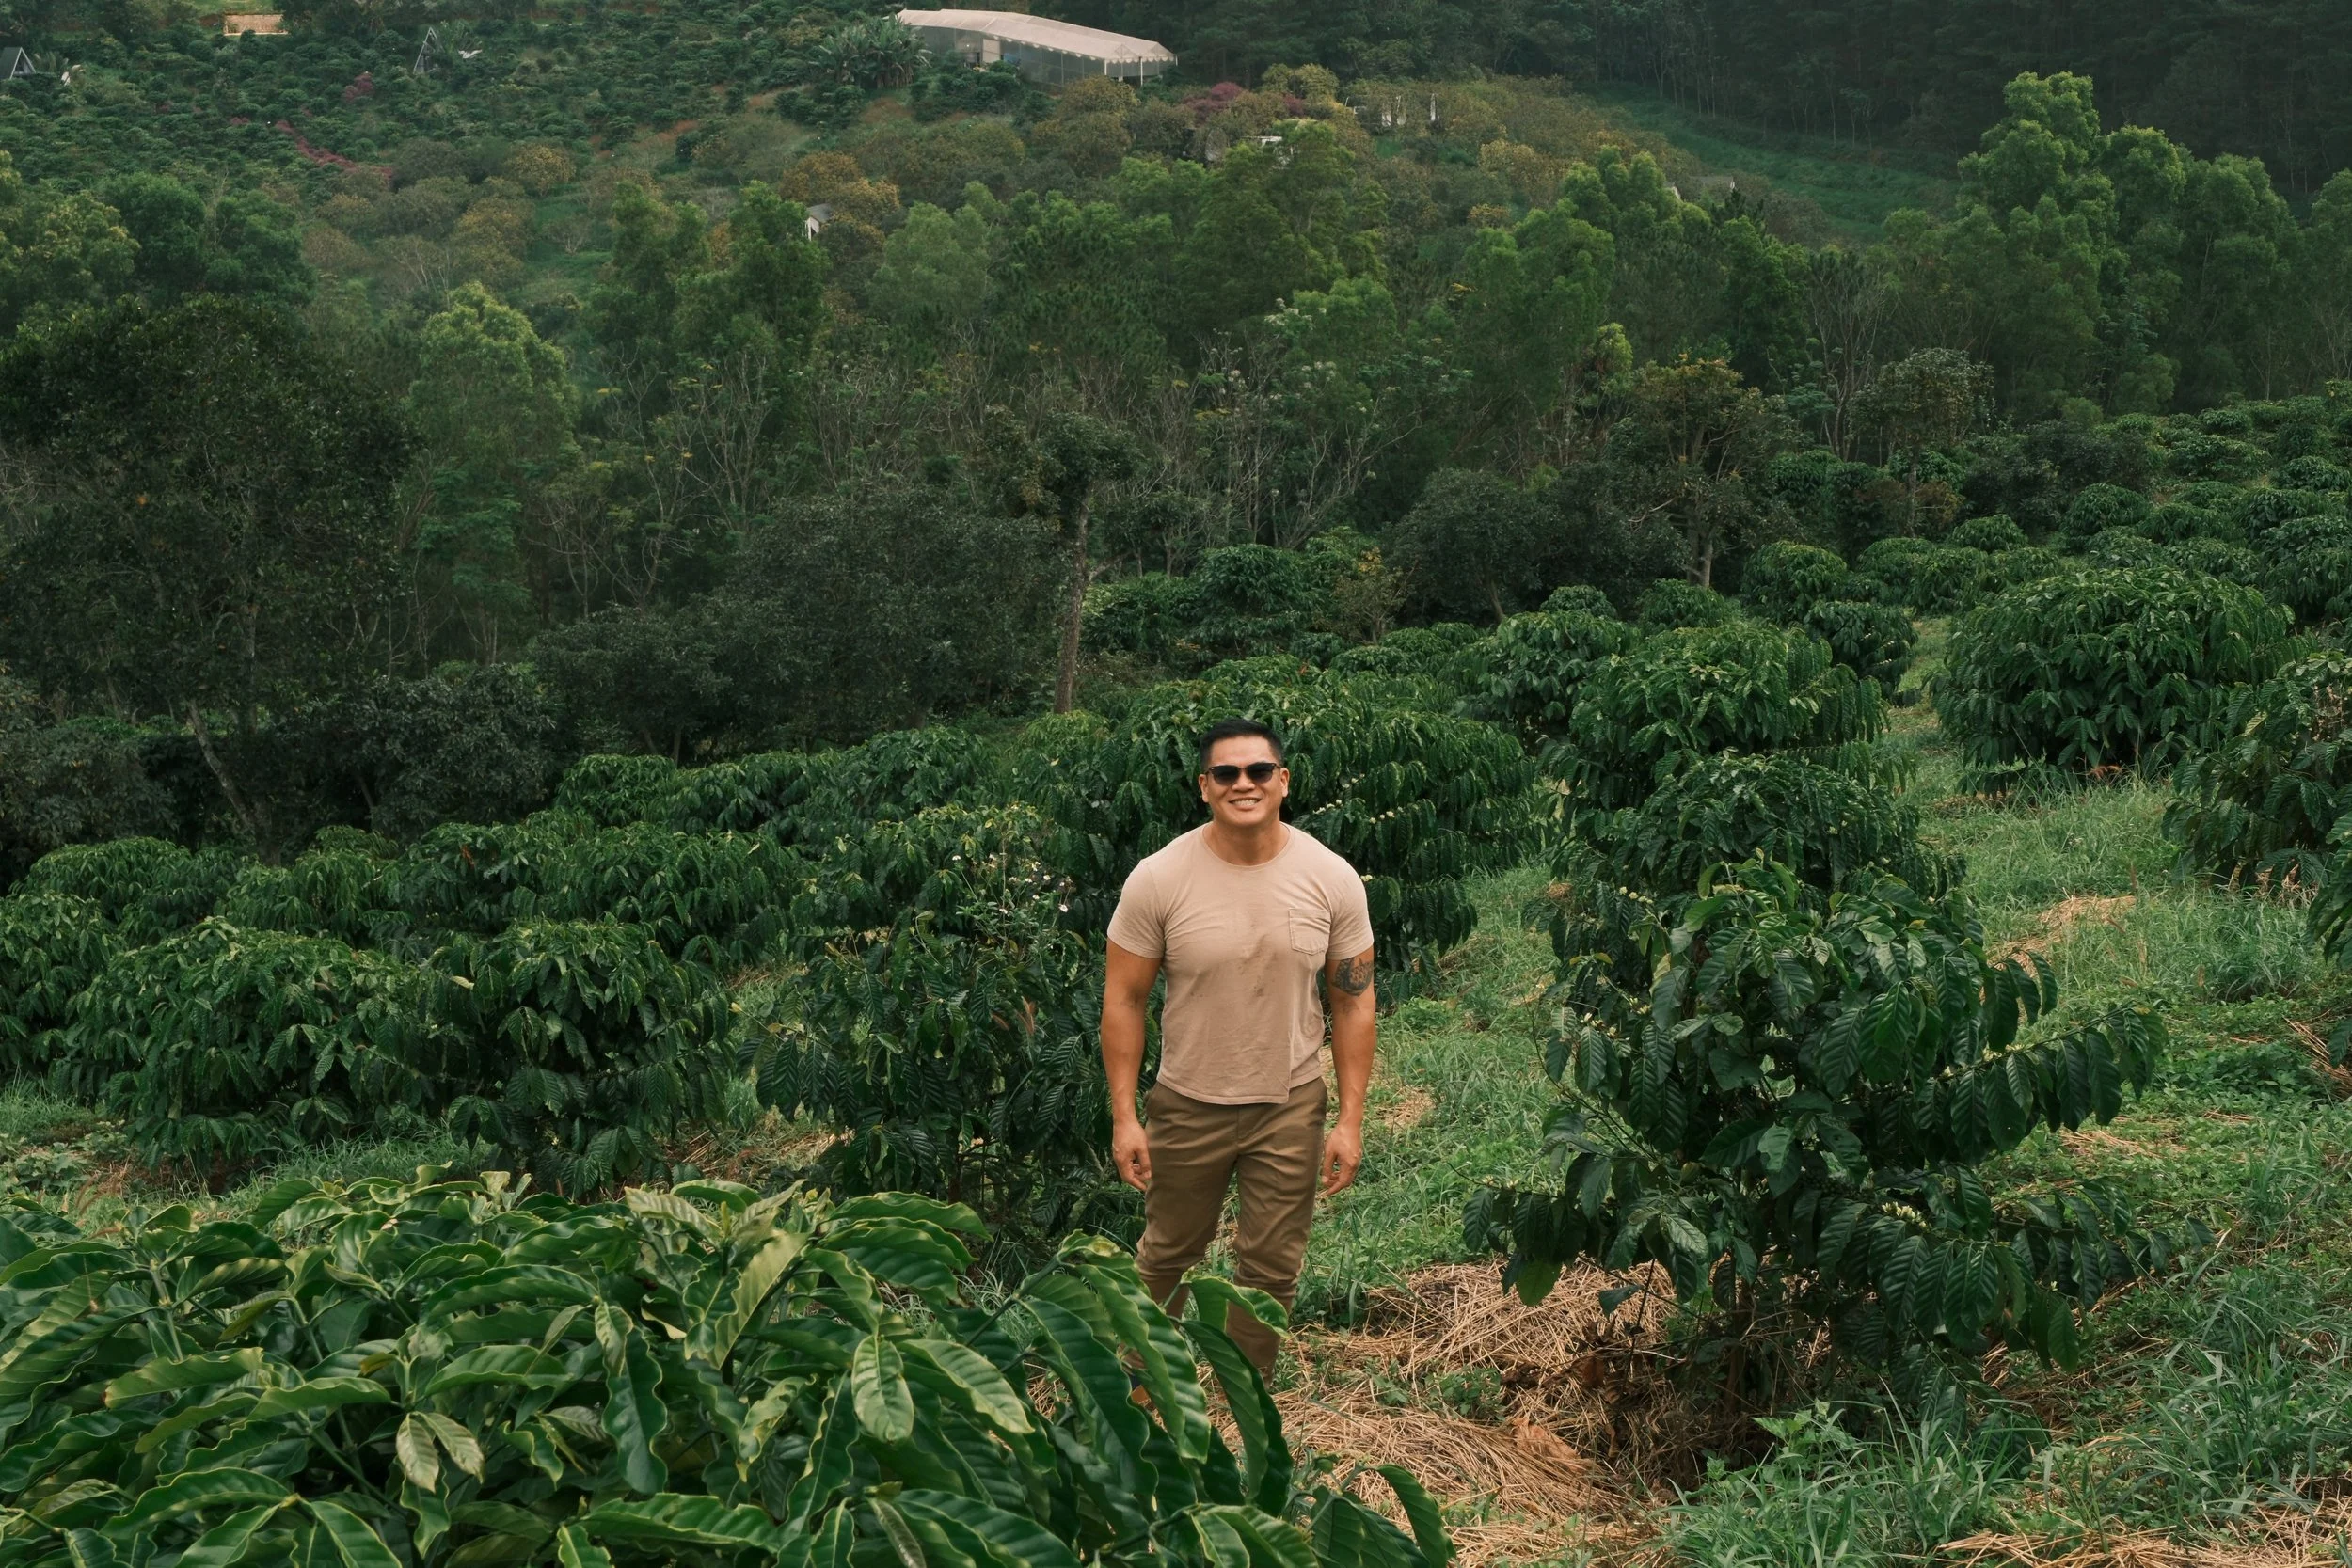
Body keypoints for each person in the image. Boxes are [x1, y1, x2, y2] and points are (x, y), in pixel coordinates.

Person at [1100, 718, 1376, 1373]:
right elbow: (1125, 999)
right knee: (1166, 1255)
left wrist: (1349, 1120)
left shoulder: (1331, 878)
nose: (1242, 783)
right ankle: (1142, 1388)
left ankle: (1242, 1398)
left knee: (1271, 1268)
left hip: (1289, 1100)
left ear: (1283, 781)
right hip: (1190, 1098)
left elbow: (1353, 998)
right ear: (1204, 787)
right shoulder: (1158, 878)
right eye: (1226, 773)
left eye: (1258, 771)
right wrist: (1125, 1115)